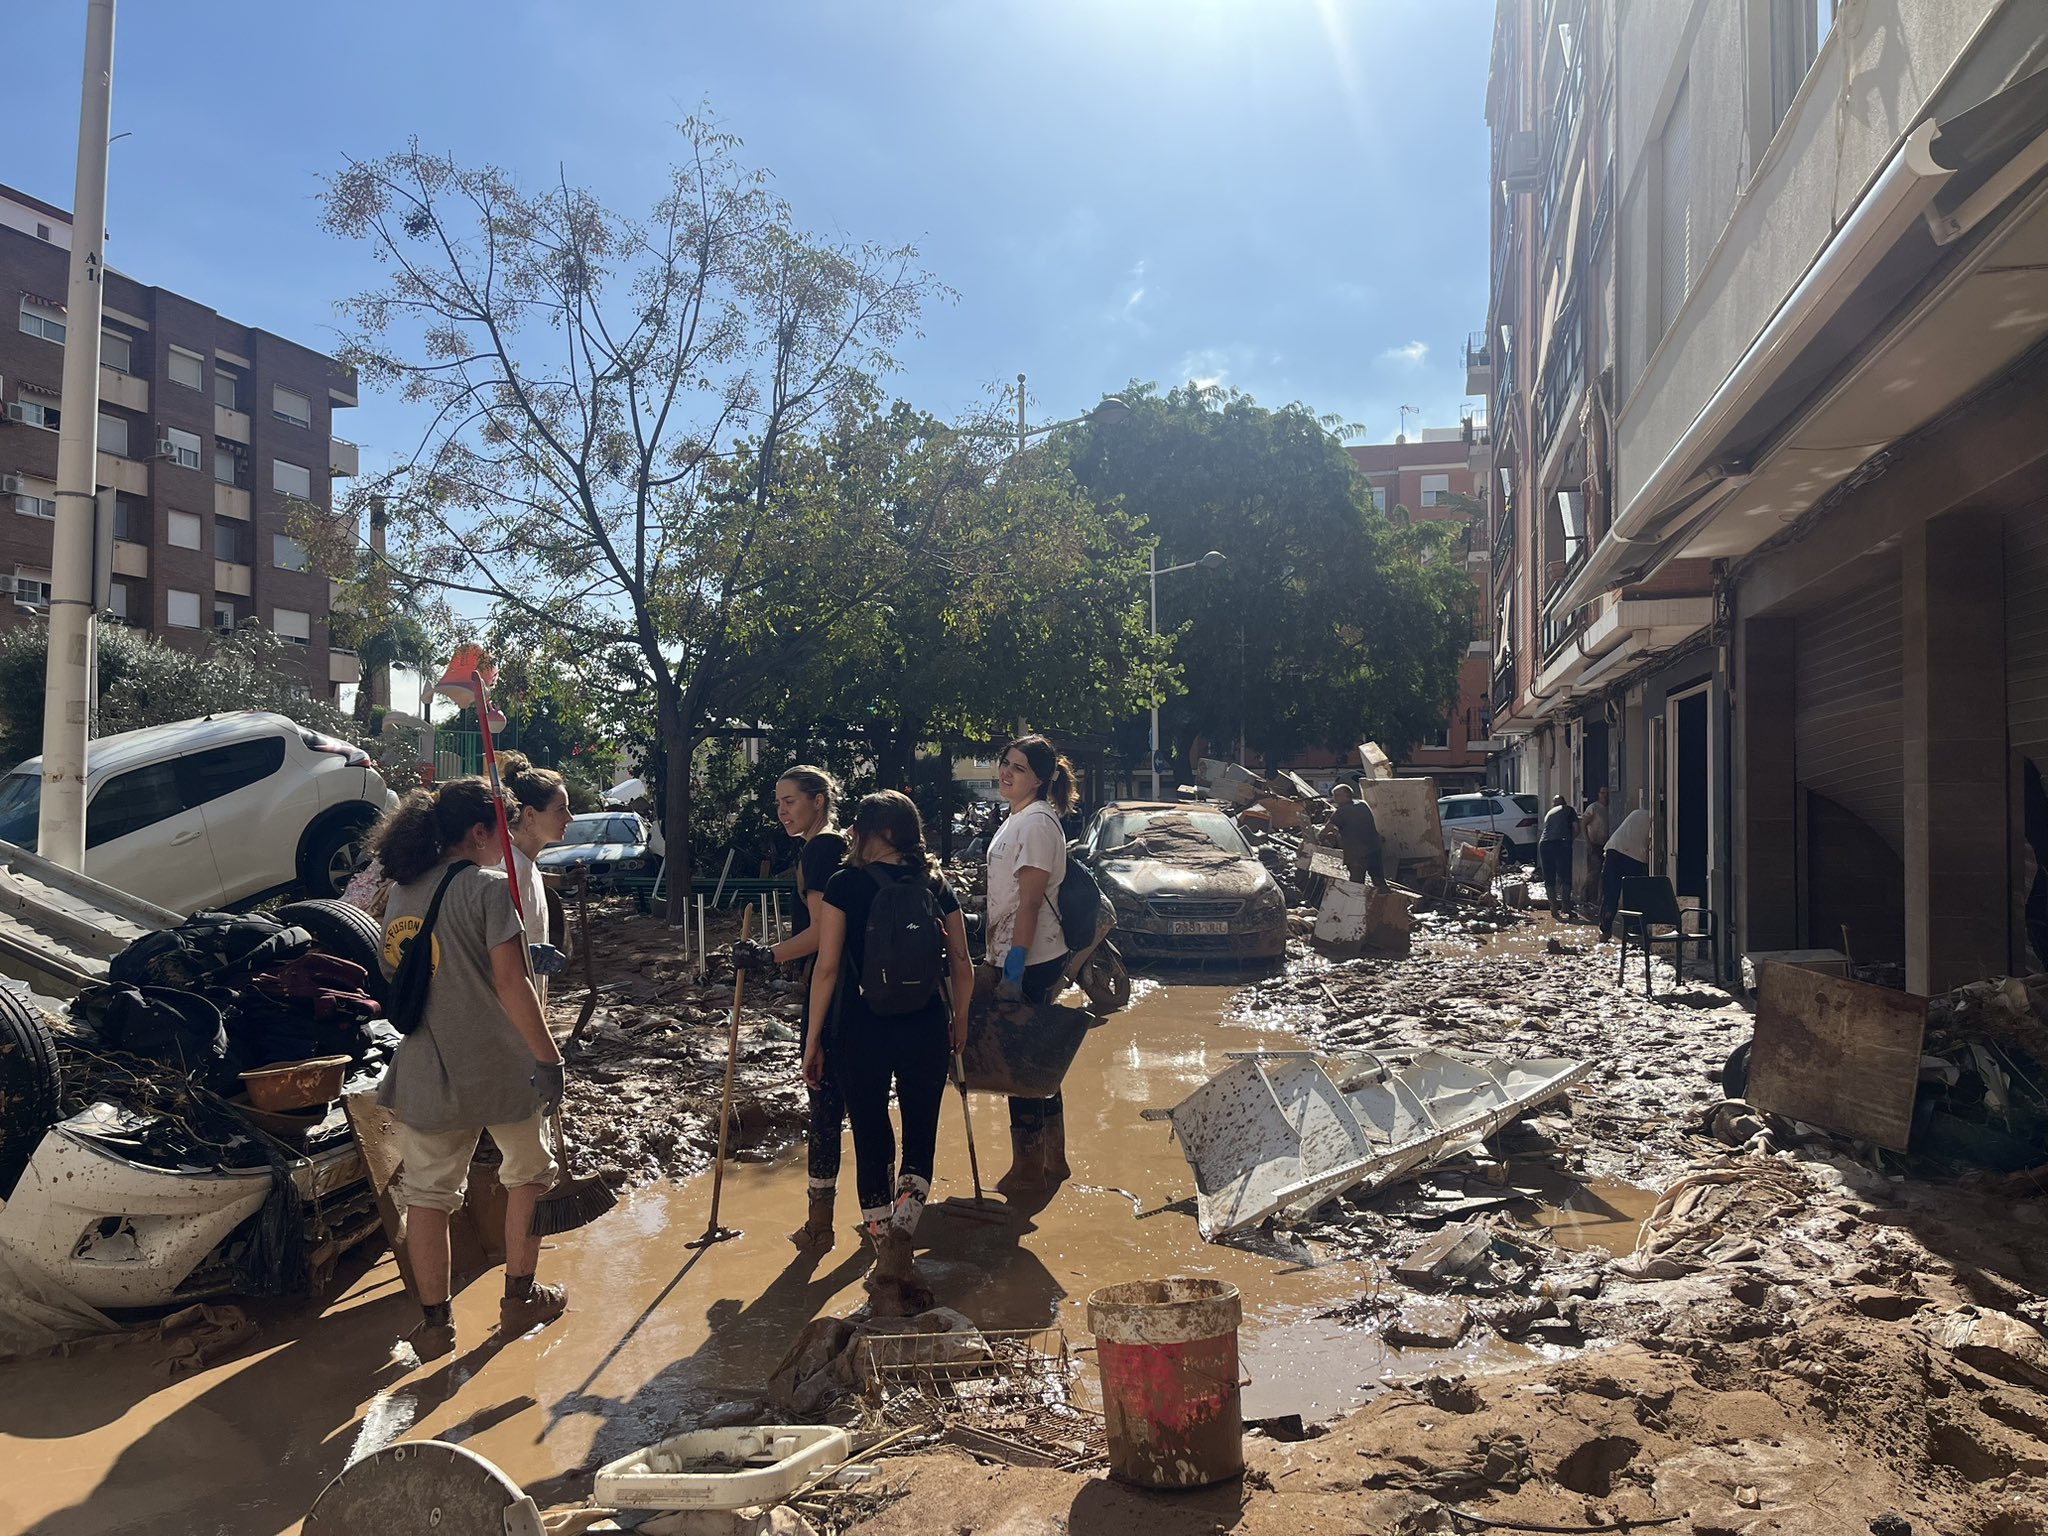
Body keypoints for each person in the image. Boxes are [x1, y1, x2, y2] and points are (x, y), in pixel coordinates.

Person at [371, 777, 567, 1361]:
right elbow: (513, 984)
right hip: (501, 1067)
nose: (506, 841)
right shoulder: (489, 888)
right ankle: (519, 1300)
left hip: (427, 1065)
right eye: (501, 829)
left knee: (429, 1195)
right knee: (528, 1174)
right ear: (479, 833)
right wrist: (549, 1057)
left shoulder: (404, 893)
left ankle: (435, 1325)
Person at [806, 791, 972, 1315]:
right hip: (924, 1025)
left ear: (882, 834)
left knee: (872, 1134)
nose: (852, 833)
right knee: (920, 1131)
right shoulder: (936, 884)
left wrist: (813, 1038)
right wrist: (960, 1019)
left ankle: (883, 1244)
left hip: (862, 1028)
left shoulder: (843, 885)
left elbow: (827, 968)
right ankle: (905, 1231)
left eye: (860, 827)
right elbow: (962, 962)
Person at [731, 766, 850, 1250]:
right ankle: (880, 1224)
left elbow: (823, 933)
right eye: (777, 802)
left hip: (834, 990)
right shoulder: (836, 845)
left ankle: (819, 1227)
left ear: (818, 800)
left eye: (790, 801)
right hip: (856, 992)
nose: (781, 811)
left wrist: (766, 955)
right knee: (860, 1108)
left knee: (823, 1101)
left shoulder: (822, 849)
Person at [985, 734, 1077, 1200]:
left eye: (1018, 768)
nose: (1006, 772)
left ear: (1040, 778)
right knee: (1037, 1058)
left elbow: (1031, 902)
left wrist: (1014, 971)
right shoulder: (1017, 817)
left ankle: (1029, 1170)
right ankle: (1051, 1160)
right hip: (1015, 953)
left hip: (1032, 957)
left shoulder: (1038, 823)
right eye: (1005, 764)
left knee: (1020, 1065)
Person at [500, 753, 574, 1004]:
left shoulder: (526, 864)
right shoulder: (505, 870)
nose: (570, 818)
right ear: (530, 815)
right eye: (561, 809)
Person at [1600, 803, 1653, 940]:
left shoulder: (1637, 812)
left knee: (1610, 894)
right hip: (1635, 858)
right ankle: (1634, 932)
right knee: (1634, 897)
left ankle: (1605, 931)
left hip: (1612, 851)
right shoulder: (1657, 822)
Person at [1327, 783, 1387, 889]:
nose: (1334, 799)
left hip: (1358, 854)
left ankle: (1357, 905)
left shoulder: (1341, 812)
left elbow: (1327, 829)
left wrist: (1318, 836)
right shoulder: (1363, 804)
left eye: (1336, 796)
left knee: (1356, 886)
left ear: (1346, 796)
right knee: (1379, 881)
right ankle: (1388, 900)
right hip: (1374, 848)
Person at [1538, 795, 1579, 919]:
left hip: (1544, 844)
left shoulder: (1549, 813)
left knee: (1549, 876)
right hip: (1561, 843)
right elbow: (1577, 828)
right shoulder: (1569, 810)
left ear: (1553, 804)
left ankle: (1553, 909)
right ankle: (1566, 908)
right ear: (1565, 802)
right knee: (1565, 875)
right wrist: (1570, 840)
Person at [1578, 787, 1611, 917]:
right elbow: (1583, 824)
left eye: (1607, 794)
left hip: (1606, 844)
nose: (1605, 796)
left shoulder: (1610, 808)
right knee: (1593, 872)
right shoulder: (1593, 808)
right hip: (1594, 843)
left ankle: (1598, 899)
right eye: (1602, 793)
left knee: (1604, 872)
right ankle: (1586, 898)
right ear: (1598, 794)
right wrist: (1588, 842)